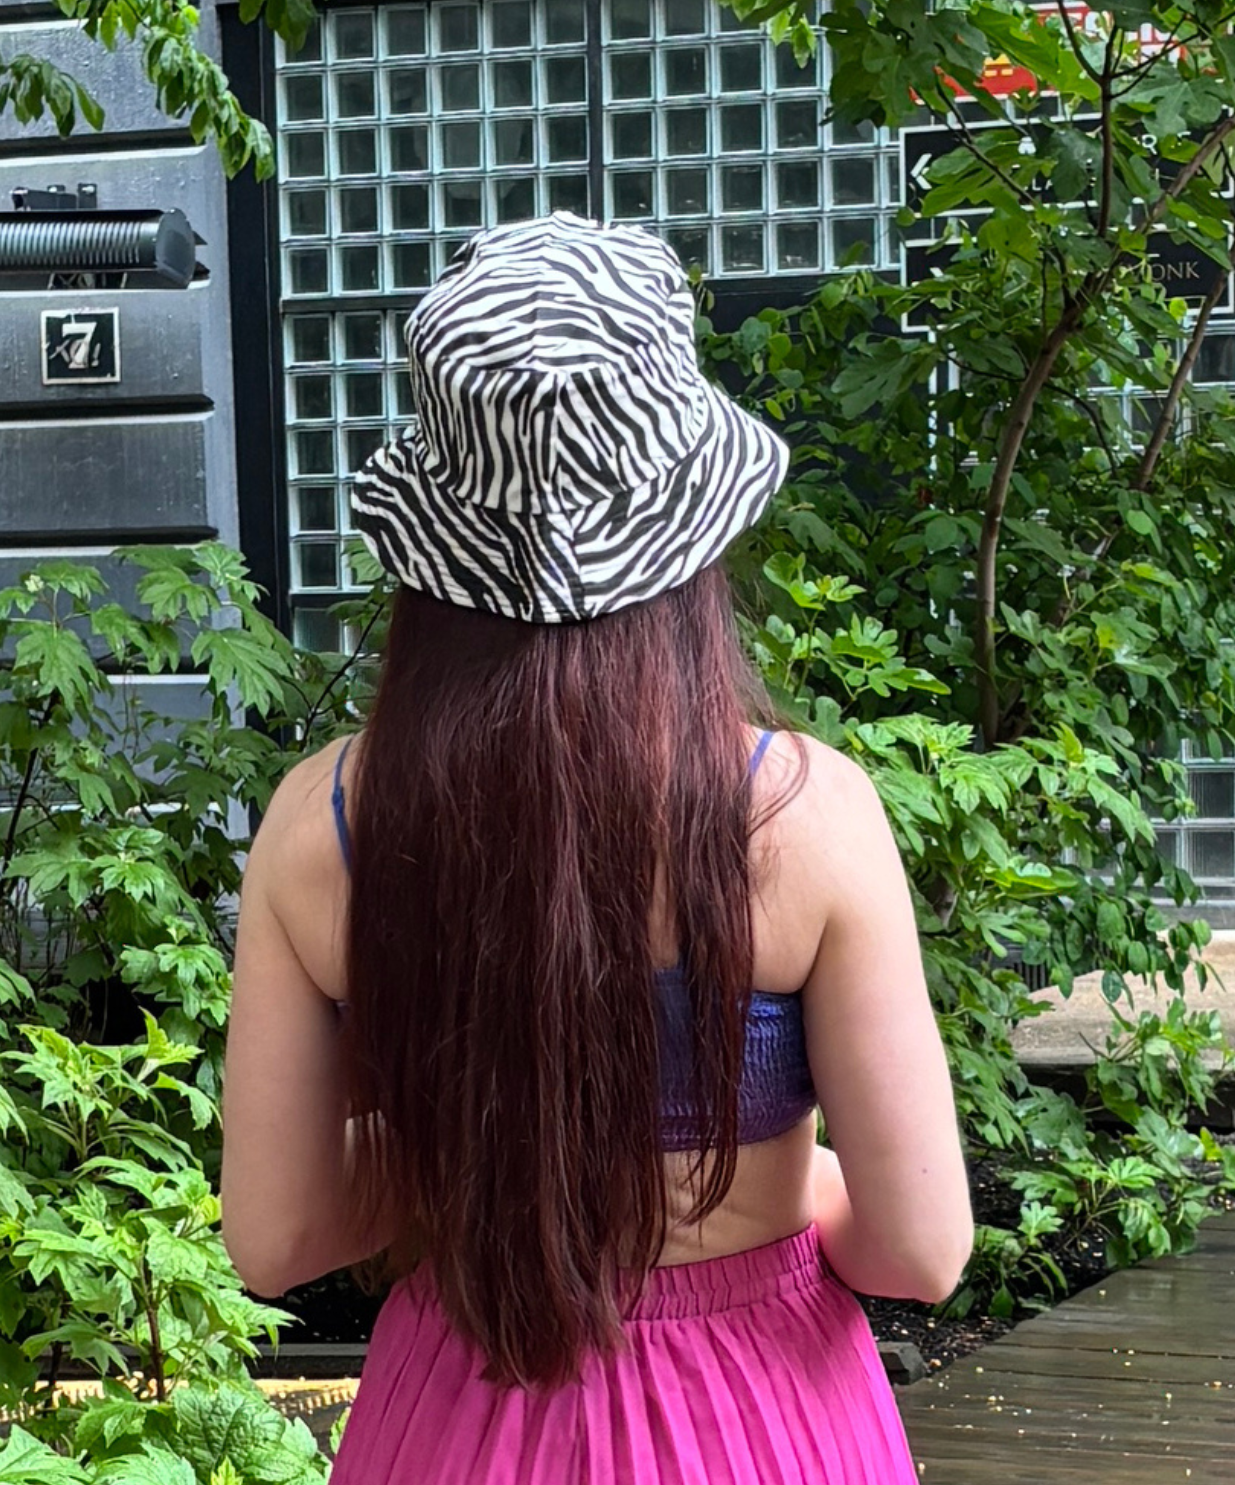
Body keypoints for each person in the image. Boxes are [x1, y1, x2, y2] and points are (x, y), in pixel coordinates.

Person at [221, 213, 974, 1484]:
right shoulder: (806, 817)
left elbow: (277, 1230)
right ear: (694, 527)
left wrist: (489, 1145)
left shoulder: (322, 828)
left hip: (458, 1415)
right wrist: (792, 1185)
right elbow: (920, 1251)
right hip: (763, 1423)